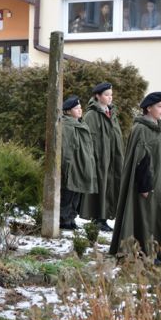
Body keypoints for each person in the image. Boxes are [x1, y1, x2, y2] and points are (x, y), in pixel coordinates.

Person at [110, 92, 161, 255]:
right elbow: (141, 161)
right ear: (149, 108)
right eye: (159, 107)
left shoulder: (160, 129)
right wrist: (145, 186)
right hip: (149, 185)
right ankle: (147, 252)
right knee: (147, 218)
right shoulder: (141, 129)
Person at [79, 82, 124, 232]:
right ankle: (98, 218)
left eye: (111, 95)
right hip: (99, 160)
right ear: (97, 96)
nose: (110, 98)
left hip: (112, 159)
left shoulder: (112, 115)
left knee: (110, 187)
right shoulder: (91, 115)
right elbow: (87, 140)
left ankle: (104, 217)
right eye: (106, 95)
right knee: (100, 188)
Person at [60, 95, 98, 230]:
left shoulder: (81, 124)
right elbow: (66, 147)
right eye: (76, 108)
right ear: (68, 111)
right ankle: (64, 220)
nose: (80, 110)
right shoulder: (66, 126)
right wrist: (66, 166)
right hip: (72, 165)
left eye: (80, 108)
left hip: (82, 165)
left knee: (77, 194)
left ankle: (71, 219)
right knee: (68, 194)